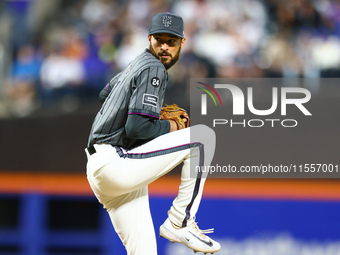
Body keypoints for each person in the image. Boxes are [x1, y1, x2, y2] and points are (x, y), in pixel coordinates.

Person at [85, 12, 221, 255]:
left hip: (103, 169)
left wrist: (150, 114)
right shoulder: (154, 67)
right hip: (114, 162)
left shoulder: (137, 63)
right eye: (159, 40)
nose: (165, 47)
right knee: (202, 137)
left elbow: (106, 93)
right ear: (149, 39)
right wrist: (172, 125)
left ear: (182, 43)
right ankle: (180, 221)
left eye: (172, 41)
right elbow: (136, 128)